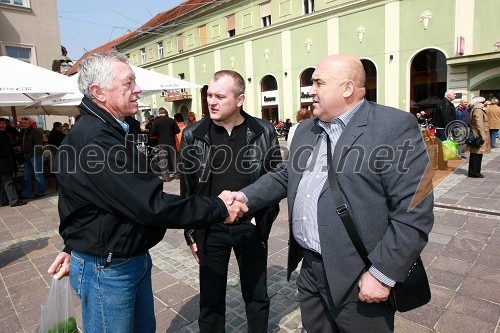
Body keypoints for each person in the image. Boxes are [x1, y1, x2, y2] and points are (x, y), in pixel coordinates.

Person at [226, 54, 434, 332]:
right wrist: (246, 197)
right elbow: (285, 175)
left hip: (360, 275)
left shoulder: (393, 127)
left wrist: (383, 275)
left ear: (347, 88)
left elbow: (414, 212)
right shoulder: (305, 130)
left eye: (318, 83)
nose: (310, 90)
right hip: (310, 270)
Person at [46, 52, 248, 333]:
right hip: (108, 271)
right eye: (128, 83)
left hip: (125, 258)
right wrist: (219, 207)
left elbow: (94, 199)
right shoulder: (96, 139)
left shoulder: (113, 130)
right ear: (98, 92)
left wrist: (75, 245)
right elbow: (150, 204)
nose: (137, 89)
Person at [180, 70, 281, 333]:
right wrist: (191, 234)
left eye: (220, 96)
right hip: (210, 229)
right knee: (211, 301)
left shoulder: (263, 130)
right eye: (209, 95)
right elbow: (187, 190)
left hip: (251, 228)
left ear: (240, 100)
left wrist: (263, 219)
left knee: (257, 295)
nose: (211, 101)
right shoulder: (194, 134)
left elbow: (277, 179)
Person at [0, 118, 26, 207]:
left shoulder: (3, 134)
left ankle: (3, 201)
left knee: (4, 183)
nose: (2, 125)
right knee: (8, 182)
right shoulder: (1, 134)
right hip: (4, 163)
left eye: (4, 123)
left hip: (5, 162)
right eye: (0, 124)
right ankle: (14, 200)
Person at [17, 117, 46, 199]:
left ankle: (41, 192)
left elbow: (39, 145)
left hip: (35, 156)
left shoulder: (35, 132)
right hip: (27, 156)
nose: (22, 124)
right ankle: (25, 193)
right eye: (21, 123)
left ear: (30, 123)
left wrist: (33, 155)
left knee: (38, 175)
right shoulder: (23, 132)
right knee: (27, 176)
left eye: (24, 123)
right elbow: (19, 142)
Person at [150, 107, 180, 181]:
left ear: (160, 114)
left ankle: (166, 177)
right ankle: (177, 175)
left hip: (161, 143)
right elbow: (177, 131)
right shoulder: (172, 121)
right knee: (174, 159)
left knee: (163, 160)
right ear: (166, 113)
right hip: (171, 142)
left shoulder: (156, 122)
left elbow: (152, 132)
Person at [467, 97, 490, 177]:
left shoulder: (475, 110)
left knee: (474, 154)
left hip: (476, 134)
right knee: (477, 154)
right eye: (482, 102)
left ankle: (472, 172)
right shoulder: (478, 110)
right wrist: (483, 135)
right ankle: (476, 172)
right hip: (478, 135)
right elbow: (479, 124)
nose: (483, 104)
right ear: (477, 103)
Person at [434, 90, 457, 169]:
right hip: (443, 129)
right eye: (454, 94)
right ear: (448, 96)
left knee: (443, 147)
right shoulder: (446, 104)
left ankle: (442, 165)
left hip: (442, 128)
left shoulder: (444, 103)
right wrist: (449, 129)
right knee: (444, 147)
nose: (455, 95)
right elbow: (446, 118)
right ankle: (443, 166)